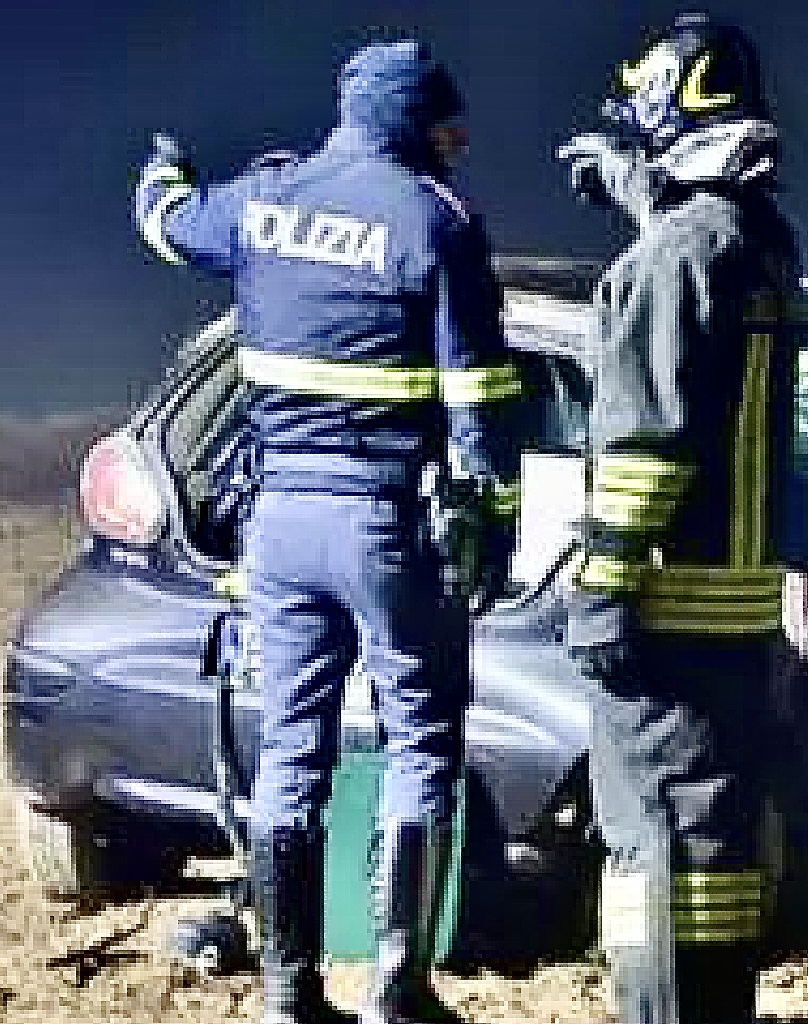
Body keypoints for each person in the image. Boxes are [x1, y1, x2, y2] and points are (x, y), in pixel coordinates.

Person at [134, 39, 523, 1024]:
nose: (457, 142)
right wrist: (491, 515)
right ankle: (399, 988)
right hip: (383, 521)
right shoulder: (435, 223)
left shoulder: (264, 203)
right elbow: (479, 393)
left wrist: (162, 171)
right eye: (447, 125)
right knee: (420, 742)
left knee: (290, 752)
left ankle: (285, 990)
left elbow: (169, 225)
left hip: (279, 528)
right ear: (410, 121)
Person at [555, 14, 804, 1024]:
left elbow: (643, 446)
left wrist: (602, 590)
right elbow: (703, 240)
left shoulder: (671, 263)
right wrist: (638, 191)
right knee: (714, 846)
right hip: (734, 614)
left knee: (652, 843)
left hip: (661, 611)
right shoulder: (758, 244)